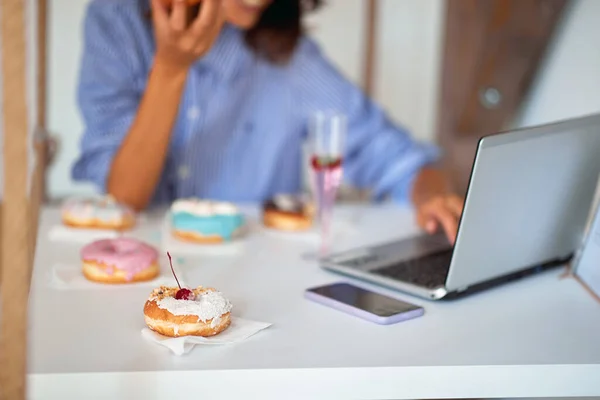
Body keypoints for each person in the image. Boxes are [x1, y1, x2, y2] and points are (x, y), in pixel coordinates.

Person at [73, 0, 464, 242]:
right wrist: (171, 69)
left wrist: (431, 195)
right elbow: (123, 199)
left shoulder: (293, 60)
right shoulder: (117, 21)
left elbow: (395, 158)